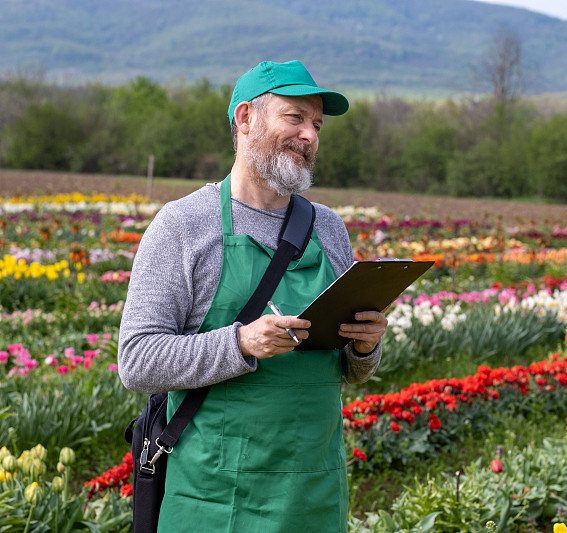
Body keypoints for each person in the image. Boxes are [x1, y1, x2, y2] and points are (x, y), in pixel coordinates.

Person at [118, 60, 386, 532]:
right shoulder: (184, 225)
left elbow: (351, 369)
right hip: (215, 499)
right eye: (295, 118)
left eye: (317, 124)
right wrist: (240, 344)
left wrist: (365, 345)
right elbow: (137, 361)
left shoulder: (327, 228)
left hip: (314, 495)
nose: (311, 136)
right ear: (245, 119)